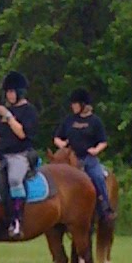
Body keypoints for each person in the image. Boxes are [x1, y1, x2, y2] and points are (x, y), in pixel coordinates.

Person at [0, 71, 38, 236]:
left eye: (12, 91)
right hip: (1, 156)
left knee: (14, 179)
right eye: (8, 92)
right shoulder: (5, 113)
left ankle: (17, 220)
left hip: (20, 155)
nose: (9, 95)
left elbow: (22, 134)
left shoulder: (29, 111)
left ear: (20, 92)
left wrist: (8, 115)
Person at [53, 88, 111, 219]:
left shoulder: (95, 121)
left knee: (98, 177)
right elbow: (57, 137)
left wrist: (96, 150)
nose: (72, 106)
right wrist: (60, 144)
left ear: (83, 105)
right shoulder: (69, 120)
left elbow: (103, 141)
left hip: (88, 159)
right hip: (70, 158)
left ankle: (105, 207)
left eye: (75, 104)